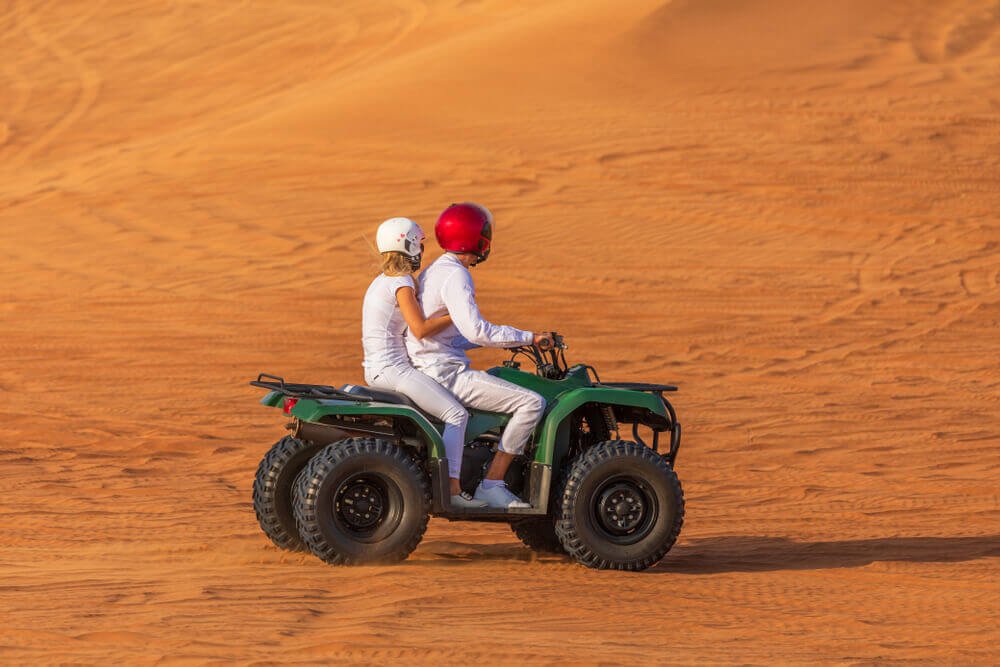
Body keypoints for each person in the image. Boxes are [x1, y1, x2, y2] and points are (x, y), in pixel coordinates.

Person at [406, 203, 552, 509]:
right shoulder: (457, 276)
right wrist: (528, 337)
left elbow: (453, 336)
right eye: (484, 232)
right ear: (472, 238)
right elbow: (476, 331)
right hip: (446, 374)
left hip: (430, 364)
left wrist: (509, 343)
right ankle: (493, 483)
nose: (487, 238)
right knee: (531, 403)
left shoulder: (436, 269)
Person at [362, 217, 486, 509]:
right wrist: (457, 316)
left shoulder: (381, 280)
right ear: (407, 245)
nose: (422, 249)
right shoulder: (401, 282)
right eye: (418, 243)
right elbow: (419, 328)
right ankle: (453, 492)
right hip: (394, 370)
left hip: (379, 369)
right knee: (456, 414)